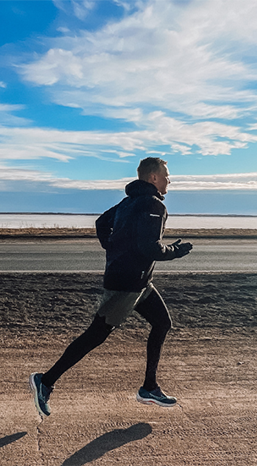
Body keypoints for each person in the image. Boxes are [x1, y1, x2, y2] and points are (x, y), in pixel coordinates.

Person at [29, 157, 193, 417]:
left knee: (162, 323)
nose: (169, 180)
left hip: (140, 283)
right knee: (96, 335)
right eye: (166, 175)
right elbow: (149, 248)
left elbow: (101, 224)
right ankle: (46, 381)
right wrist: (175, 251)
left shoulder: (127, 203)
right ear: (153, 178)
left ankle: (149, 387)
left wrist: (114, 248)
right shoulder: (153, 205)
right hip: (127, 285)